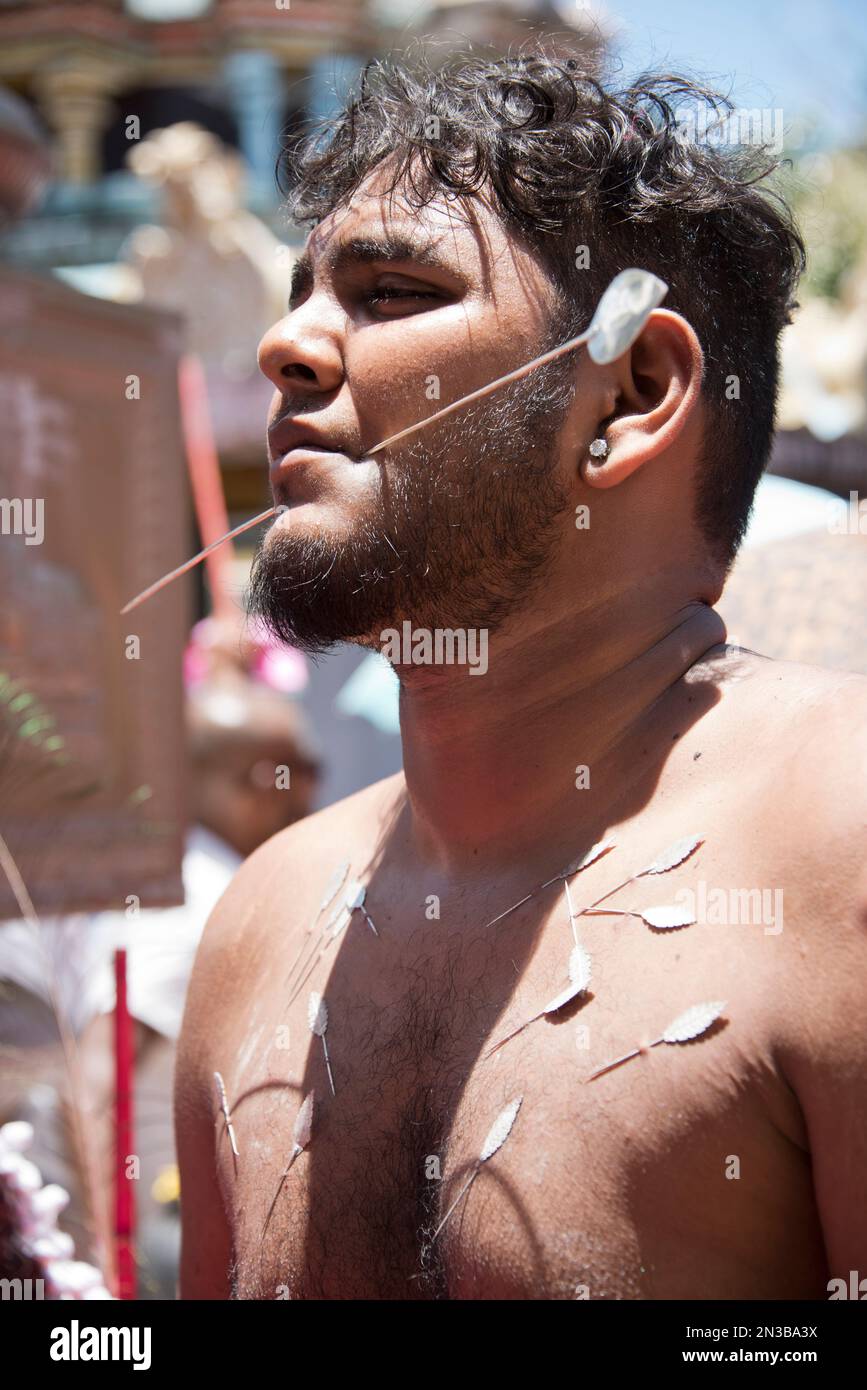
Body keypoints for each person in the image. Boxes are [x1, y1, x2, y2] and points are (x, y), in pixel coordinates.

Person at [175, 52, 867, 1300]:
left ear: (632, 390)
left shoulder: (840, 849)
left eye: (392, 290)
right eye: (299, 295)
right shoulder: (258, 925)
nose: (286, 343)